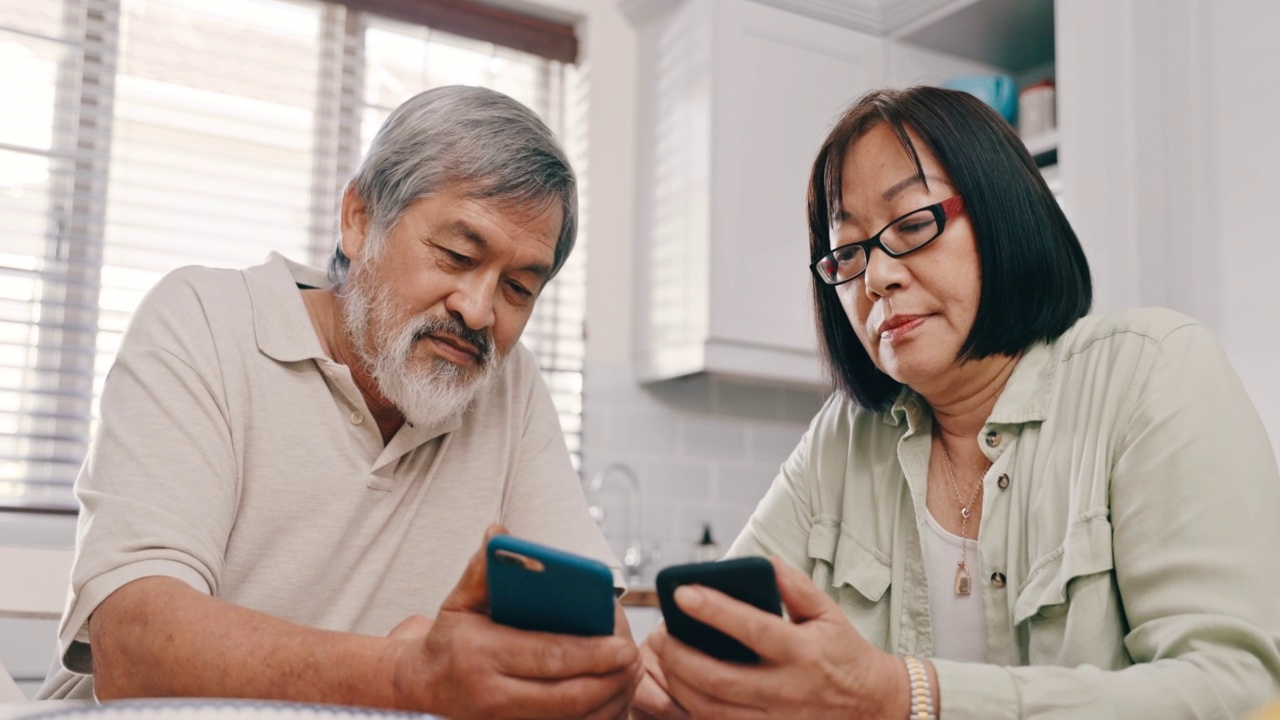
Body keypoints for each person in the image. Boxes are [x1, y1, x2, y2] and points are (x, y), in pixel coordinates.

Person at [633, 85, 1280, 718]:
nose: (877, 276)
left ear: (1005, 211)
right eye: (847, 253)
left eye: (913, 224)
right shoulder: (844, 436)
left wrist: (905, 696)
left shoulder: (1151, 369)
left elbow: (1238, 690)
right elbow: (720, 627)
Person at [38, 85, 642, 719]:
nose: (479, 309)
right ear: (359, 219)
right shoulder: (201, 320)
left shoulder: (509, 386)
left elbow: (596, 629)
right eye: (459, 255)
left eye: (519, 288)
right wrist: (407, 678)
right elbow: (133, 647)